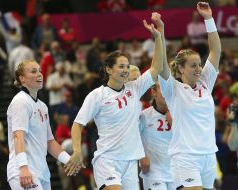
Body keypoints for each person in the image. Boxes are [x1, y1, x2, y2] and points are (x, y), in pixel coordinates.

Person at [64, 12, 164, 190]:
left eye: (127, 66)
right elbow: (78, 124)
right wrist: (78, 151)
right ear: (109, 70)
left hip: (130, 161)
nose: (126, 70)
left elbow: (156, 67)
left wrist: (158, 36)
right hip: (107, 160)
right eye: (121, 67)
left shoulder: (135, 88)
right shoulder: (98, 95)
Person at [157, 2, 221, 190]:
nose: (199, 69)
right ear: (181, 69)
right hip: (185, 157)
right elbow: (161, 64)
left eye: (199, 64)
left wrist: (208, 18)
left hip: (209, 156)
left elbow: (216, 51)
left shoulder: (205, 83)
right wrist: (160, 33)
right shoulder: (172, 89)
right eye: (193, 66)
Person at [6, 60, 75, 190]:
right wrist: (23, 167)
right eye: (33, 71)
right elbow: (17, 136)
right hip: (24, 170)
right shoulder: (20, 102)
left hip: (42, 172)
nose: (39, 74)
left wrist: (68, 160)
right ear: (22, 79)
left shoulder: (42, 106)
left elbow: (50, 142)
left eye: (40, 71)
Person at [139, 82, 173, 190]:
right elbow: (131, 138)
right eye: (163, 90)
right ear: (153, 92)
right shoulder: (144, 116)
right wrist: (141, 156)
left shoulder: (179, 114)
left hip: (177, 173)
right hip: (154, 174)